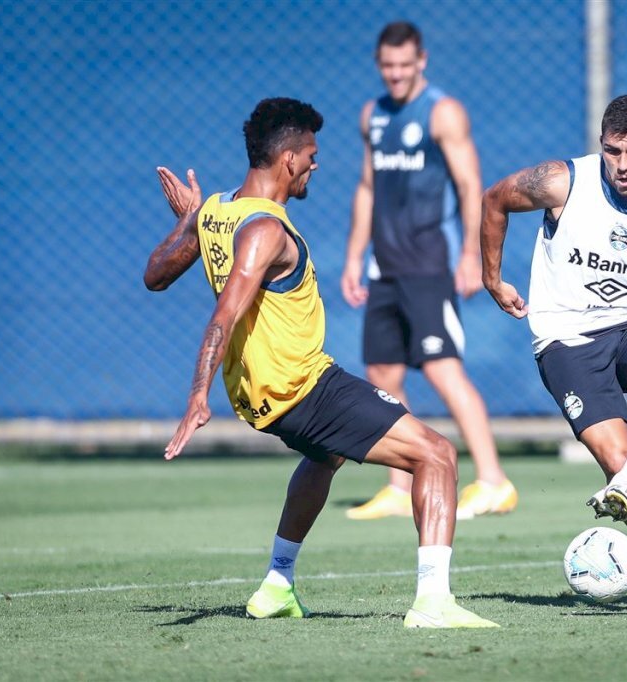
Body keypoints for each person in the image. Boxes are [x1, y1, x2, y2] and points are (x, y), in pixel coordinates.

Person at [144, 97, 497, 629]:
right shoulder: (265, 231)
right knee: (437, 455)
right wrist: (197, 396)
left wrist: (191, 218)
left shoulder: (217, 209)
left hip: (263, 396)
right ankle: (434, 603)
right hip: (303, 387)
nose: (316, 163)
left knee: (326, 456)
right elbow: (224, 314)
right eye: (310, 154)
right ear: (288, 160)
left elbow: (155, 273)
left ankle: (276, 585)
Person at [480, 94, 627, 614]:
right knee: (614, 455)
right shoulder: (562, 182)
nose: (623, 165)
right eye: (613, 151)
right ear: (601, 146)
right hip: (568, 337)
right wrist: (492, 278)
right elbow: (495, 199)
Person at [341, 21, 517, 521]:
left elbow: (470, 186)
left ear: (422, 61)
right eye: (387, 67)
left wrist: (470, 256)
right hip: (384, 267)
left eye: (405, 66)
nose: (396, 75)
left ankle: (493, 480)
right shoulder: (372, 115)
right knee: (382, 374)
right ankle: (398, 486)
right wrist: (355, 256)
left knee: (442, 370)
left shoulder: (443, 112)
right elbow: (367, 187)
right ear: (380, 65)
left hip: (430, 264)